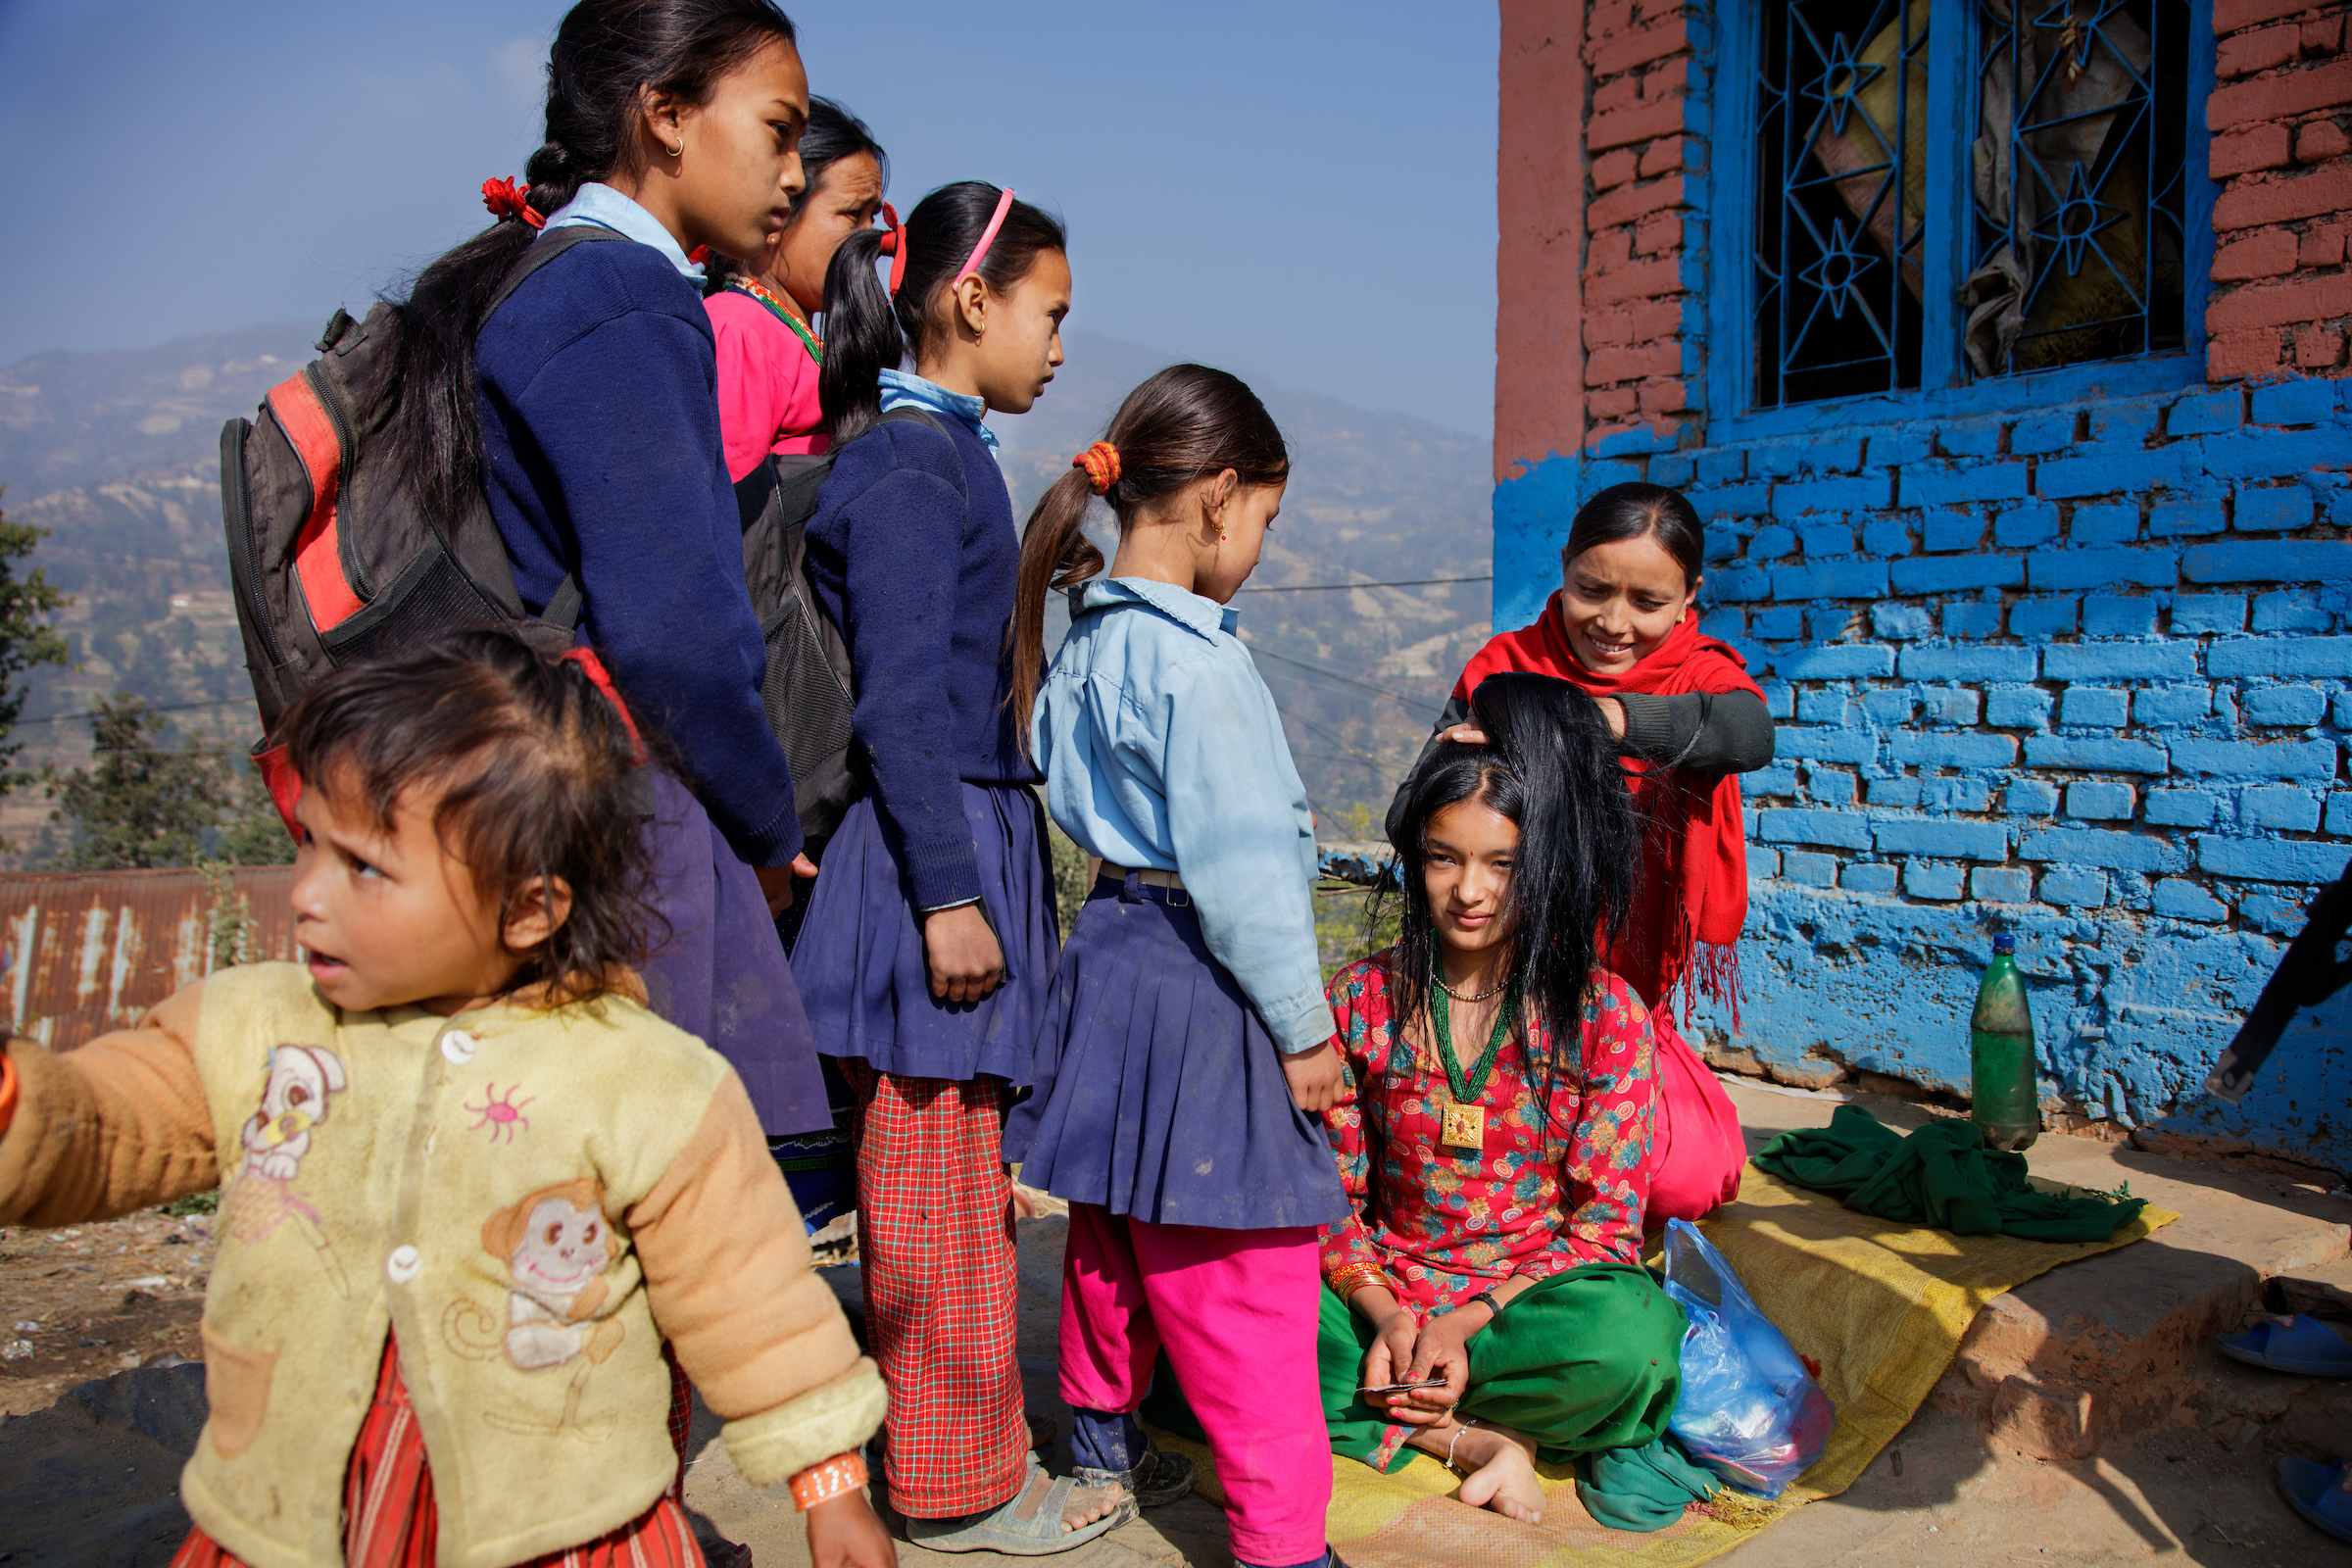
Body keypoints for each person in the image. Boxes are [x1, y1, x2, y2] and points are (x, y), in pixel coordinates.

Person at [0, 629, 894, 1568]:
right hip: (292, 1525)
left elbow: (748, 1299)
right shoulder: (259, 1030)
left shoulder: (641, 1081)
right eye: (311, 845)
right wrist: (25, 1102)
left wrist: (829, 1486)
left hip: (561, 1530)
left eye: (363, 868)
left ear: (528, 909)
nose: (306, 894)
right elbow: (110, 1125)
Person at [388, 0, 830, 1147]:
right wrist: (765, 822)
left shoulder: (546, 278)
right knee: (652, 1191)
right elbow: (681, 632)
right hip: (624, 804)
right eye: (779, 130)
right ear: (668, 114)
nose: (794, 171)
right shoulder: (629, 300)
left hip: (542, 791)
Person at [787, 181, 1109, 1552]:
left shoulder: (940, 455)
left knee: (953, 1191)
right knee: (930, 1213)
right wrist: (952, 896)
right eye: (1050, 314)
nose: (1057, 345)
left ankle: (950, 1455)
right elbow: (902, 710)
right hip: (930, 868)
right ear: (971, 301)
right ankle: (962, 1487)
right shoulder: (916, 469)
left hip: (948, 851)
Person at [1003, 367, 1351, 1568]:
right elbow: (1249, 873)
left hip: (1111, 956)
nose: (1257, 547)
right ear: (1215, 498)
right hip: (1204, 976)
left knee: (1116, 1225)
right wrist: (1305, 1032)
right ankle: (1283, 1547)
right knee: (1247, 1281)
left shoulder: (1090, 636)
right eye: (1263, 518)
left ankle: (1101, 1438)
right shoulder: (1201, 671)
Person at [1329, 671, 1686, 1526]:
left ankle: (1404, 1408)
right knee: (1234, 1311)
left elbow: (1604, 1227)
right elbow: (1324, 1197)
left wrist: (1467, 1321)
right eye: (1444, 858)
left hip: (1521, 1308)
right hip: (1378, 1299)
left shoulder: (1603, 1015)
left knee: (1635, 1341)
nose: (1472, 891)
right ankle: (1475, 1440)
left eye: (1503, 865)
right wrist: (1387, 1313)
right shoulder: (1360, 999)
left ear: (1548, 869)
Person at [1391, 482, 1773, 1225]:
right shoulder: (1504, 669)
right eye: (1591, 589)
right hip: (1494, 983)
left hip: (1620, 997)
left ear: (1690, 596)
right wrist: (1489, 757)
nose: (1614, 622)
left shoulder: (1698, 675)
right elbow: (1408, 812)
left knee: (1680, 1185)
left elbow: (1748, 733)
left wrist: (1590, 719)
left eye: (1647, 602)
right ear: (1563, 568)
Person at [705, 97, 888, 476]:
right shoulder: (738, 330)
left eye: (873, 216)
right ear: (778, 216)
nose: (872, 238)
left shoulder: (784, 331)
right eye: (852, 214)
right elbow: (731, 501)